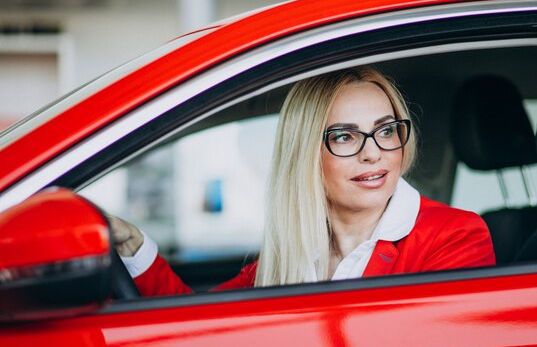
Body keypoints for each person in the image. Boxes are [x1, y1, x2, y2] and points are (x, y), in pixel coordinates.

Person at [111, 65, 495, 296]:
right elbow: (198, 325)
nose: (373, 152)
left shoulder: (457, 237)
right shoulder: (292, 251)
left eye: (386, 130)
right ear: (306, 155)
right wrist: (135, 246)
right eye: (345, 136)